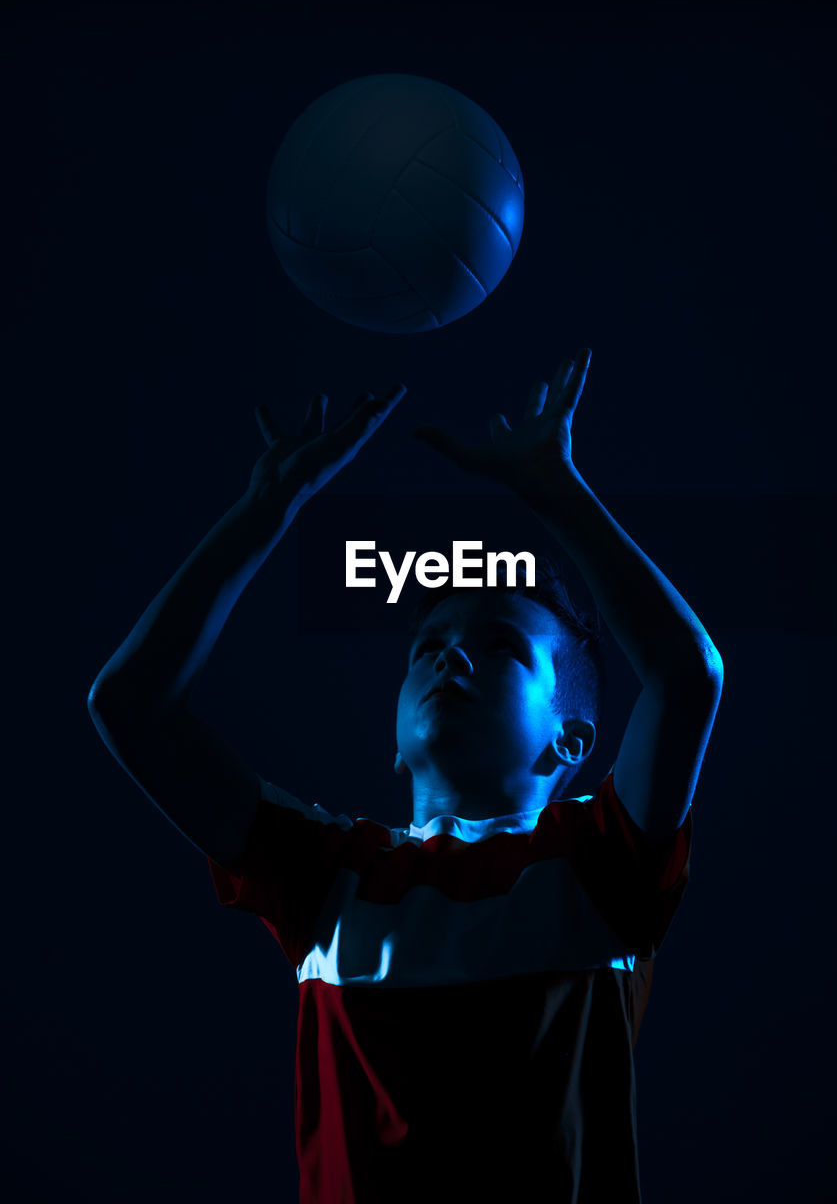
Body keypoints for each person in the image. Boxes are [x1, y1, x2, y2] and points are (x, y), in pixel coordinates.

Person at [88, 350, 723, 1203]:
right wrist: (268, 504)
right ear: (394, 739)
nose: (450, 654)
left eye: (499, 645)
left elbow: (688, 673)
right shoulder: (327, 875)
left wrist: (556, 491)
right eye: (427, 646)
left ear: (572, 741)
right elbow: (128, 704)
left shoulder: (598, 862)